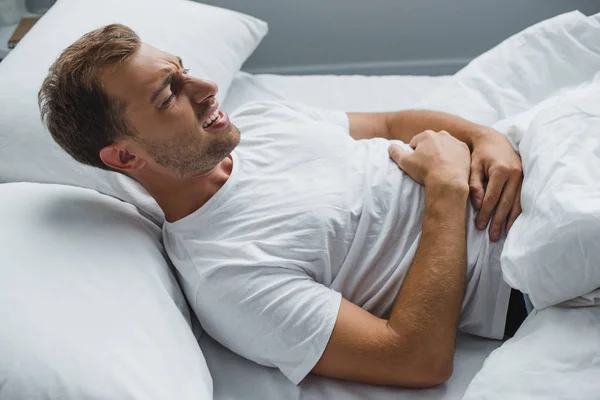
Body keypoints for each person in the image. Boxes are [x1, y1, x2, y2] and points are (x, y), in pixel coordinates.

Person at [39, 24, 526, 388]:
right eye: (170, 94)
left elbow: (390, 121)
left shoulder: (260, 120)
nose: (207, 88)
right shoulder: (227, 275)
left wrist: (487, 137)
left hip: (526, 157)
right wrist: (445, 187)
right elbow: (416, 358)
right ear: (125, 155)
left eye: (182, 70)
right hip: (521, 256)